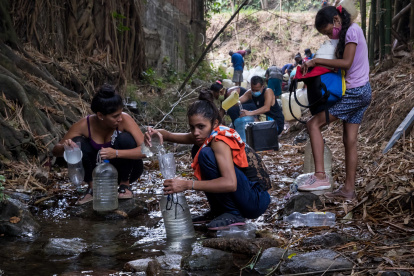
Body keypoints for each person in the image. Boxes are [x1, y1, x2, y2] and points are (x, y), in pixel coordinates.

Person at [145, 91, 271, 230]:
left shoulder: (219, 140)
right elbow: (169, 135)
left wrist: (187, 184)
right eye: (192, 127)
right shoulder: (204, 136)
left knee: (204, 153)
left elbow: (230, 184)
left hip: (255, 199)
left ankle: (233, 214)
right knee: (197, 149)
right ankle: (219, 211)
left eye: (200, 126)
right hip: (246, 194)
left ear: (215, 123)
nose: (195, 132)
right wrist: (154, 133)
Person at [297, 4, 371, 201]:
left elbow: (346, 63)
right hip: (361, 90)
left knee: (313, 124)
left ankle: (320, 176)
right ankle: (348, 190)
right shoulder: (346, 33)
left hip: (355, 92)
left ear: (337, 21)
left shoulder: (353, 31)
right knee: (349, 140)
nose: (330, 36)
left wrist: (317, 61)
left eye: (329, 31)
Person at [52, 84, 145, 204]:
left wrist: (116, 153)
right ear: (100, 115)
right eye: (115, 116)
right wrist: (66, 147)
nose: (120, 119)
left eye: (121, 113)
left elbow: (146, 151)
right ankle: (92, 188)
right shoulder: (84, 125)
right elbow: (55, 151)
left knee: (126, 139)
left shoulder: (125, 120)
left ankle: (124, 186)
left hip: (127, 171)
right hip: (98, 174)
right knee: (78, 142)